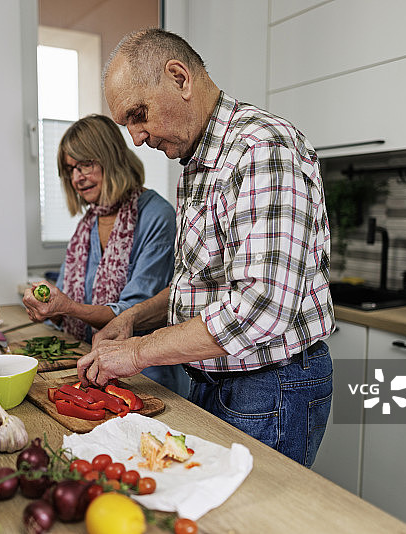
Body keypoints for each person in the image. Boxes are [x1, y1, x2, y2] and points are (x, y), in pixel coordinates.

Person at [77, 29, 335, 467]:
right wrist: (133, 319)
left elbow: (260, 307)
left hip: (269, 385)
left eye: (138, 116)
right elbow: (205, 285)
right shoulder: (198, 163)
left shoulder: (261, 149)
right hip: (219, 377)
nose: (137, 138)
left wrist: (138, 351)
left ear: (179, 77)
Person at [21, 113, 189, 397]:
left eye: (86, 164)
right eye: (70, 169)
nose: (78, 177)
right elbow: (63, 302)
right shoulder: (86, 225)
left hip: (146, 380)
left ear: (111, 158)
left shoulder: (156, 215)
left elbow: (132, 314)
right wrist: (47, 306)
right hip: (92, 368)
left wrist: (67, 307)